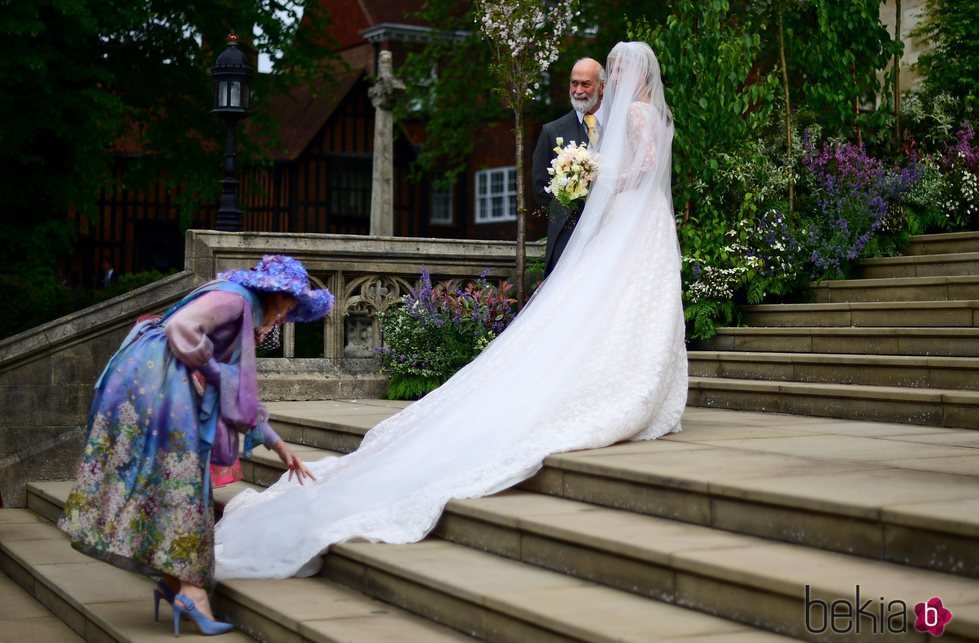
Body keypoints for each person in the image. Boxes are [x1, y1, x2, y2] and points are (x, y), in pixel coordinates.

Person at [214, 41, 686, 582]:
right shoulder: (644, 112)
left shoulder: (633, 113)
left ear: (629, 74)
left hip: (631, 217)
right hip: (639, 220)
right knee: (628, 296)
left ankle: (629, 373)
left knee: (628, 296)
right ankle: (631, 376)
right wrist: (598, 179)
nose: (614, 78)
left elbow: (641, 170)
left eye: (618, 70)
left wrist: (600, 178)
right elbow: (644, 173)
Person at [59, 255, 332, 635]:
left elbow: (237, 395)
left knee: (173, 478)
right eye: (290, 304)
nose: (288, 314)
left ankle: (175, 584)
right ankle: (190, 590)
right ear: (275, 293)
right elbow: (183, 328)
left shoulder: (242, 308)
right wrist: (217, 373)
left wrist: (277, 444)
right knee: (183, 480)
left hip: (155, 378)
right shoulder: (235, 301)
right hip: (156, 382)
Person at [532, 57, 606, 277]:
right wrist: (569, 202)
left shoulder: (620, 125)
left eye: (586, 84)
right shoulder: (552, 131)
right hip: (569, 236)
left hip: (613, 232)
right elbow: (540, 189)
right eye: (574, 83)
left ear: (602, 87)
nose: (578, 90)